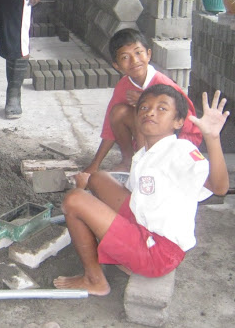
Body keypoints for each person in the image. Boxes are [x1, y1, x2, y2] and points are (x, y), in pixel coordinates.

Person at [54, 85, 229, 296]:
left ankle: (94, 279)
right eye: (144, 107)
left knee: (74, 200)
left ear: (178, 122)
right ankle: (123, 253)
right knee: (97, 178)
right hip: (143, 224)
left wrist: (212, 137)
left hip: (158, 252)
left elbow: (220, 188)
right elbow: (134, 197)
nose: (150, 112)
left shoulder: (181, 151)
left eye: (162, 108)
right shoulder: (145, 153)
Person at [84, 29, 202, 173]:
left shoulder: (163, 84)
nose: (134, 61)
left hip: (178, 140)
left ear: (149, 54)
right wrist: (95, 164)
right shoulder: (123, 86)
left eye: (138, 52)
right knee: (119, 111)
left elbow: (187, 123)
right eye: (125, 57)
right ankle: (129, 161)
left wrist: (145, 103)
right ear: (116, 65)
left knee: (144, 114)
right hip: (148, 140)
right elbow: (110, 126)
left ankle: (145, 168)